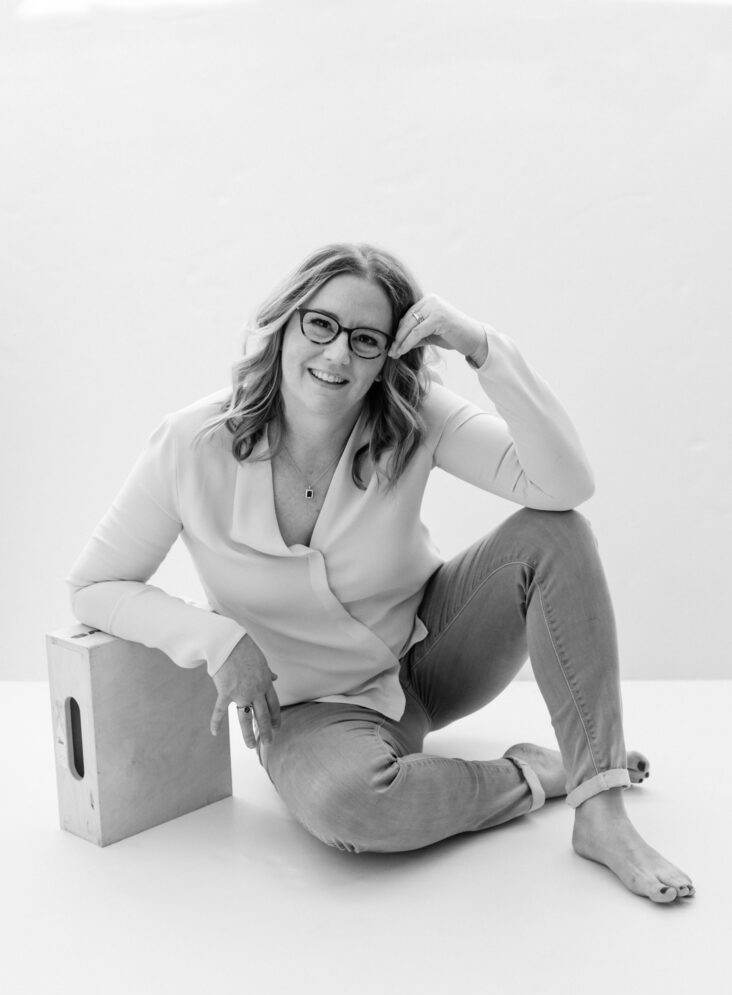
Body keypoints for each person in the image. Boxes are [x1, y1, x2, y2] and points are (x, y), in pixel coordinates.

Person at [66, 241, 694, 903]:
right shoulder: (190, 444)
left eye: (367, 340)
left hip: (435, 655)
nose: (338, 355)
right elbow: (94, 586)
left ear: (386, 358)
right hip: (309, 710)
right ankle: (534, 772)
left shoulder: (412, 413)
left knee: (555, 533)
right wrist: (218, 642)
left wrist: (482, 346)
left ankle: (600, 809)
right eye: (321, 324)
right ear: (286, 321)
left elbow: (563, 485)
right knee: (349, 807)